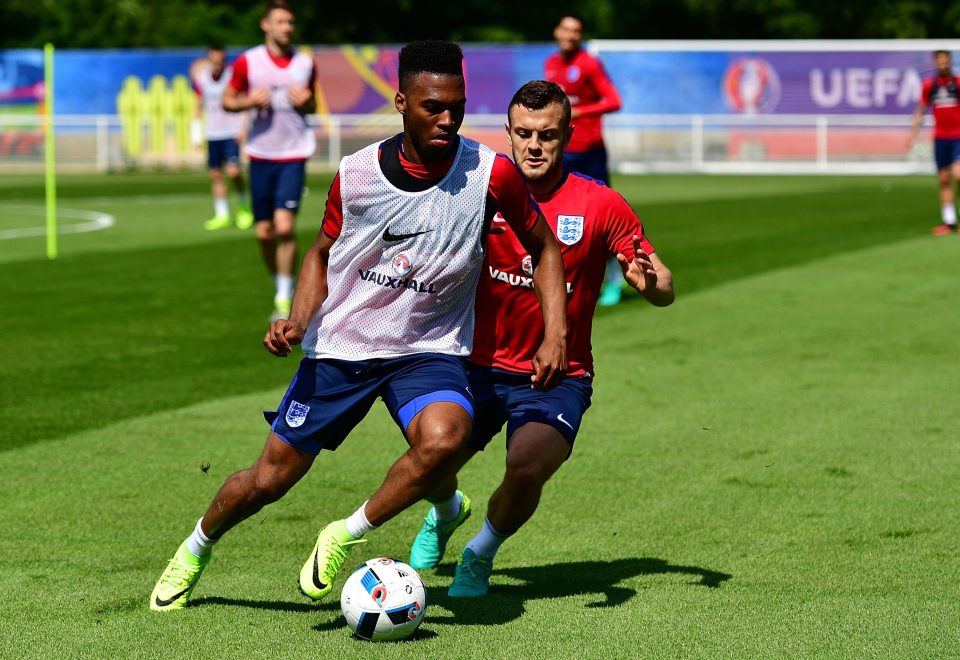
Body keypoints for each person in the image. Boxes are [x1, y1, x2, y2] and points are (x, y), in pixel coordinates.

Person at [149, 41, 569, 612]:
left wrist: (555, 333)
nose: (448, 119)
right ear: (401, 102)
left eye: (457, 106)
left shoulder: (492, 174)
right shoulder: (356, 175)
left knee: (446, 439)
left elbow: (544, 246)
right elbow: (320, 254)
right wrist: (297, 321)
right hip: (343, 344)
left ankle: (343, 534)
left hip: (429, 347)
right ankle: (196, 548)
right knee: (268, 481)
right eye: (432, 107)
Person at [407, 80, 674, 597]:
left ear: (568, 135)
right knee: (428, 459)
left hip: (557, 376)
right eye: (524, 134)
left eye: (547, 135)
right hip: (473, 365)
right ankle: (445, 510)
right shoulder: (477, 193)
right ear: (507, 133)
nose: (534, 145)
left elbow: (664, 286)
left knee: (526, 465)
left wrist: (650, 283)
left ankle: (479, 553)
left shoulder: (600, 204)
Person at [222, 0, 317, 320]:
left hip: (294, 152)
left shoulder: (304, 63)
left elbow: (312, 105)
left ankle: (283, 295)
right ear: (266, 25)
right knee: (263, 232)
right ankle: (278, 280)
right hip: (261, 154)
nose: (287, 28)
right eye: (281, 22)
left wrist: (307, 102)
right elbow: (227, 101)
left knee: (285, 226)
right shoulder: (248, 62)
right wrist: (248, 101)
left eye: (290, 22)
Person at [544, 12, 624, 306]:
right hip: (562, 152)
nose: (570, 35)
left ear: (580, 36)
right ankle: (563, 281)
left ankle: (613, 281)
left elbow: (614, 101)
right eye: (566, 29)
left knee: (600, 221)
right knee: (554, 219)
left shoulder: (589, 64)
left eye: (576, 31)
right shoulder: (551, 65)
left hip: (590, 151)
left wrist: (581, 112)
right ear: (557, 32)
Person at [191, 45, 253, 232]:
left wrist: (244, 128)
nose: (217, 66)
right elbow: (198, 106)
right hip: (213, 133)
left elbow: (243, 100)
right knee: (216, 174)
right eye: (214, 62)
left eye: (220, 62)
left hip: (231, 131)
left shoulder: (232, 77)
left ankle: (244, 207)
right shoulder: (202, 80)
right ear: (208, 61)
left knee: (234, 172)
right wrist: (195, 135)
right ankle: (222, 214)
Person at [908, 50, 960, 236]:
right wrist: (912, 134)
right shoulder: (930, 86)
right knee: (944, 179)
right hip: (940, 138)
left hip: (958, 137)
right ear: (935, 63)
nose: (942, 65)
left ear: (950, 62)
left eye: (945, 61)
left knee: (959, 174)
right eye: (939, 62)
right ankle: (949, 221)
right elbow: (921, 110)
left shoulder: (958, 83)